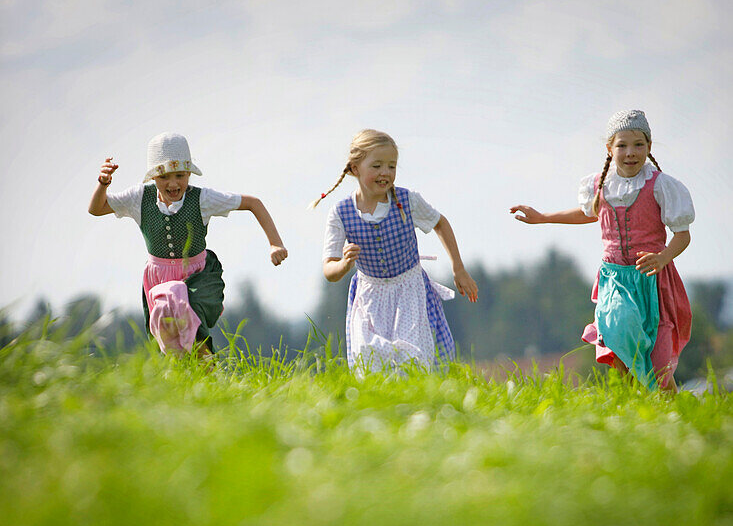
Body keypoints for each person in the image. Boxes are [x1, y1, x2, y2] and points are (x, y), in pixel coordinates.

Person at [510, 110, 693, 390]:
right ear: (610, 148)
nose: (630, 152)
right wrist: (543, 217)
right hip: (616, 279)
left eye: (638, 145)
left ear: (649, 147)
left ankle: (670, 411)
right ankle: (631, 401)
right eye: (622, 145)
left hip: (653, 281)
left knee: (658, 364)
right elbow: (588, 213)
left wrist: (663, 257)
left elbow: (682, 235)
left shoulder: (661, 186)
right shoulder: (600, 185)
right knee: (619, 331)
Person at [88, 132, 288, 354]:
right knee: (170, 341)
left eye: (180, 176)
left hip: (198, 275)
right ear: (153, 177)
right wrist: (103, 184)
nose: (173, 184)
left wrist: (275, 243)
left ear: (189, 174)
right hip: (158, 278)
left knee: (191, 324)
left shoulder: (202, 199)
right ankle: (190, 378)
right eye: (164, 177)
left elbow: (253, 203)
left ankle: (208, 372)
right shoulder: (139, 198)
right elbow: (97, 209)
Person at [311, 129, 478, 370]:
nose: (385, 173)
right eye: (376, 166)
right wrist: (344, 264)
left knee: (412, 357)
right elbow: (329, 269)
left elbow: (440, 223)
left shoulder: (406, 200)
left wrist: (458, 269)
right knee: (369, 359)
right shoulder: (341, 213)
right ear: (355, 168)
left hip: (409, 291)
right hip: (370, 296)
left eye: (391, 166)